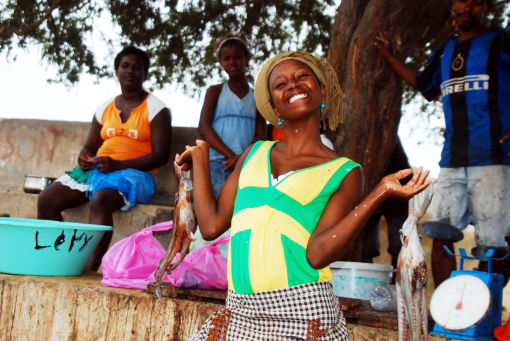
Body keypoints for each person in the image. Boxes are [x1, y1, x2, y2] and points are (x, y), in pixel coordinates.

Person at [178, 51, 430, 340]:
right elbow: (210, 227)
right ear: (274, 106)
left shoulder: (344, 171)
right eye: (280, 84)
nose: (293, 86)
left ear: (321, 90)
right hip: (240, 313)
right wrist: (200, 159)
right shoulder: (253, 154)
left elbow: (318, 254)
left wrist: (379, 192)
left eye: (301, 77)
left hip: (304, 314)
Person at [374, 0, 510, 286]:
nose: (466, 8)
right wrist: (388, 56)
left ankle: (484, 314)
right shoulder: (446, 51)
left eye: (475, 4)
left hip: (495, 160)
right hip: (452, 161)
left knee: (493, 242)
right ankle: (443, 314)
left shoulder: (501, 40)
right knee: (441, 235)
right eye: (461, 2)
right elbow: (424, 84)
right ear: (452, 8)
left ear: (486, 8)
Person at [37, 46, 172, 271]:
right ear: (117, 71)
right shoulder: (104, 108)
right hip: (100, 169)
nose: (130, 71)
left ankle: (88, 270)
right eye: (125, 66)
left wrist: (119, 165)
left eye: (137, 68)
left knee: (101, 200)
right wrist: (85, 156)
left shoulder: (157, 109)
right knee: (46, 199)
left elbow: (161, 156)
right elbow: (91, 145)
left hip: (136, 175)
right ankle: (57, 261)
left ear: (145, 73)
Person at [197, 34, 266, 198]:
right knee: (219, 204)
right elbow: (204, 128)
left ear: (246, 58)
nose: (232, 62)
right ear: (221, 62)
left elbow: (260, 133)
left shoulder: (257, 96)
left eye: (237, 57)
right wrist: (231, 157)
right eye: (226, 58)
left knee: (243, 207)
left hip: (247, 162)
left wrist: (242, 158)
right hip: (219, 162)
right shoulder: (215, 91)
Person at [361, 139, 411, 270]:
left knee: (400, 247)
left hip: (399, 195)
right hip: (370, 191)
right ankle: (365, 280)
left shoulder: (387, 133)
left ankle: (398, 285)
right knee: (364, 248)